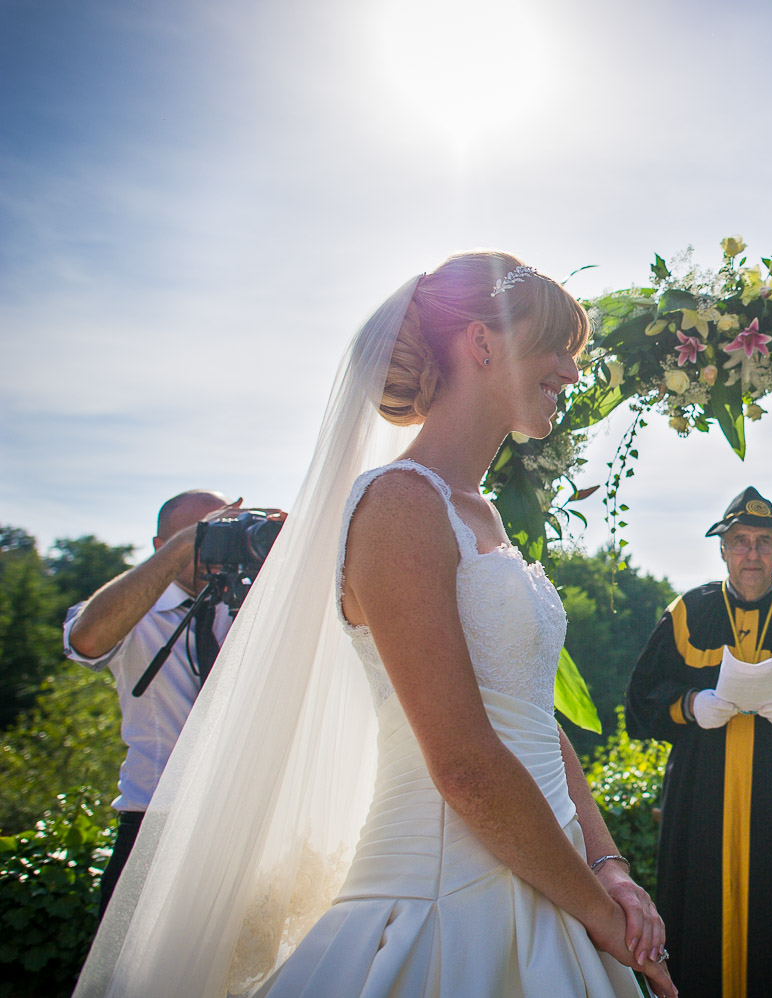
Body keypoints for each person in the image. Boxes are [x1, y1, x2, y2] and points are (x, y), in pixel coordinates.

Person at [76, 252, 675, 998]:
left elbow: (532, 719)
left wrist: (608, 870)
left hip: (551, 885)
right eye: (556, 345)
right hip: (442, 904)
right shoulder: (397, 505)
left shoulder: (481, 513)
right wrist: (598, 914)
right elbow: (461, 762)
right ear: (482, 343)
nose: (572, 370)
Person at [625, 488, 772, 998]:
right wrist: (689, 704)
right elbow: (640, 700)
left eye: (764, 541)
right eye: (740, 542)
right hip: (701, 800)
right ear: (722, 548)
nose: (752, 554)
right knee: (698, 918)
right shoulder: (688, 611)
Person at [63, 489, 250, 919]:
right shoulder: (130, 609)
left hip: (242, 819)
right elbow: (87, 640)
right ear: (159, 547)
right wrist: (190, 541)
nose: (211, 550)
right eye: (199, 535)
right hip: (152, 823)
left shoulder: (252, 606)